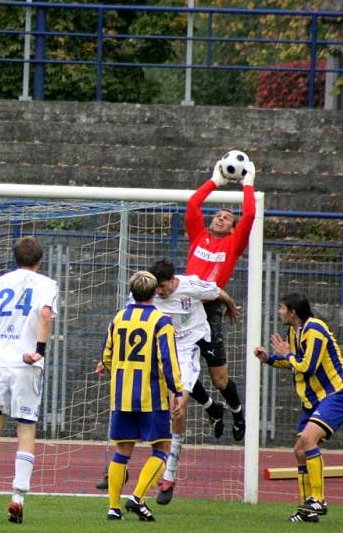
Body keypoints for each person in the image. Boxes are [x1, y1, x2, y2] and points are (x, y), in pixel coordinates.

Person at [0, 236, 58, 524]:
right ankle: (18, 496)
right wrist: (38, 351)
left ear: (15, 258)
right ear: (40, 260)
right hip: (25, 365)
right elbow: (45, 314)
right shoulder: (46, 284)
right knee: (26, 430)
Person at [253, 293, 343, 523]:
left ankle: (318, 499)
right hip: (314, 401)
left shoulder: (315, 329)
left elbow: (307, 367)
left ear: (293, 313)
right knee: (299, 451)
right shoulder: (294, 331)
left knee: (308, 441)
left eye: (282, 308)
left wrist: (287, 353)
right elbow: (293, 363)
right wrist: (269, 358)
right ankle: (308, 509)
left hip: (335, 394)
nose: (279, 312)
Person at [146, 259, 238, 505]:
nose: (159, 293)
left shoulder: (191, 285)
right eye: (156, 288)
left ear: (173, 281)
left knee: (178, 408)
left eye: (163, 288)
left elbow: (217, 291)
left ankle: (169, 476)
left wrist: (230, 306)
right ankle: (212, 408)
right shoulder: (149, 294)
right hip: (161, 352)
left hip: (190, 348)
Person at [95, 270, 183, 522]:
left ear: (132, 292)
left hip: (121, 396)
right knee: (162, 448)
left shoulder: (119, 317)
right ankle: (136, 498)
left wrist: (105, 365)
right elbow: (168, 359)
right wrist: (177, 390)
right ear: (155, 292)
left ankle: (113, 508)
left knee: (122, 450)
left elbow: (108, 354)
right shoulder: (161, 321)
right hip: (150, 396)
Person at [185, 157, 257, 441]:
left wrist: (248, 185)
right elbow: (193, 205)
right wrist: (215, 180)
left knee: (219, 379)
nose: (220, 217)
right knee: (180, 374)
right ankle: (212, 408)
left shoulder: (232, 244)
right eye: (218, 214)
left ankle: (237, 412)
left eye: (227, 217)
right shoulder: (198, 236)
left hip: (210, 311)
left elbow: (249, 216)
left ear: (231, 229)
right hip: (185, 309)